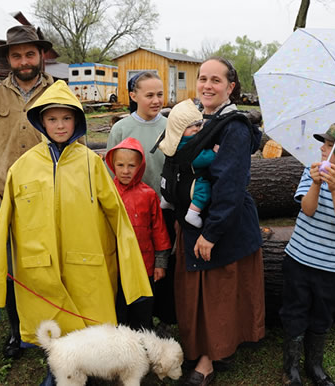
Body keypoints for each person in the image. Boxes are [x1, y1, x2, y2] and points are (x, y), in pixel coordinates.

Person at [0, 80, 152, 383]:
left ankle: (96, 374)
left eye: (67, 118)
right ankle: (57, 370)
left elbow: (118, 218)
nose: (60, 125)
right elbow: (4, 222)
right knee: (53, 328)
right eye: (52, 118)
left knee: (93, 328)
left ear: (78, 120)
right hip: (40, 267)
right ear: (41, 122)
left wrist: (131, 272)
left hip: (88, 266)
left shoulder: (92, 164)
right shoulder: (23, 167)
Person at [173, 57, 265, 386]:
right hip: (192, 220)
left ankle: (208, 361)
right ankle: (204, 349)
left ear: (230, 87)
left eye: (216, 80)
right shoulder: (198, 119)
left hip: (221, 225)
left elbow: (230, 184)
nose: (207, 85)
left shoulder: (234, 127)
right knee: (196, 293)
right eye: (202, 79)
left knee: (215, 294)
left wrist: (211, 233)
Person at [0, 25, 54, 358]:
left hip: (48, 197)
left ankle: (50, 330)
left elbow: (72, 139)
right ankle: (17, 333)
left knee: (46, 263)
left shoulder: (58, 92)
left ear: (41, 55)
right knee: (7, 268)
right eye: (16, 55)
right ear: (8, 58)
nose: (24, 61)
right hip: (2, 198)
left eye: (30, 54)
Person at [280, 122, 335, 386]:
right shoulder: (311, 173)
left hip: (332, 268)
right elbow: (307, 210)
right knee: (294, 311)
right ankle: (291, 368)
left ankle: (314, 366)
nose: (322, 148)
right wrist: (317, 185)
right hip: (298, 259)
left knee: (322, 314)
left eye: (329, 145)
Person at [106, 71, 177, 334]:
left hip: (162, 207)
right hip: (128, 212)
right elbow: (110, 171)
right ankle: (125, 319)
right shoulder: (121, 129)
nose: (156, 100)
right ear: (134, 96)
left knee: (161, 262)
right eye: (149, 95)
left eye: (160, 94)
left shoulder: (169, 126)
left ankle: (162, 318)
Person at [105, 137, 172, 330]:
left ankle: (144, 345)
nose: (126, 171)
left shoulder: (149, 195)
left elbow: (159, 231)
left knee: (143, 311)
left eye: (131, 166)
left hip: (145, 267)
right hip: (116, 267)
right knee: (119, 311)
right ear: (112, 165)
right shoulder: (108, 193)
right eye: (120, 165)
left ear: (140, 166)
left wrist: (160, 264)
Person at [158, 98, 219, 228]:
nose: (198, 129)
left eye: (199, 125)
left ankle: (166, 200)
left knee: (167, 181)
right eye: (194, 126)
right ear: (180, 128)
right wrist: (213, 153)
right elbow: (200, 159)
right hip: (191, 182)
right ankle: (193, 213)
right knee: (204, 189)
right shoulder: (188, 145)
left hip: (171, 179)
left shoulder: (170, 140)